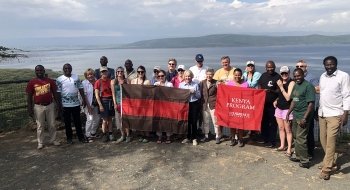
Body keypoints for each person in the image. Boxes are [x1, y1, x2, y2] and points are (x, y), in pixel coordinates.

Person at [318, 56, 350, 180]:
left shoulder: (343, 76)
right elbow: (322, 94)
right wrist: (317, 109)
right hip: (322, 113)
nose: (329, 67)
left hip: (336, 113)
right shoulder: (322, 76)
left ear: (336, 64)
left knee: (331, 141)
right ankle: (331, 162)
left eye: (331, 64)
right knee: (323, 140)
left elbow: (347, 95)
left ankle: (327, 169)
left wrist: (345, 113)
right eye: (327, 65)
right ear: (324, 65)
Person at [26, 65, 61, 149]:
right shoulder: (32, 82)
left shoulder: (50, 81)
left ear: (44, 71)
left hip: (50, 105)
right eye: (37, 70)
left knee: (52, 124)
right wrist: (29, 108)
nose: (39, 72)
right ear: (35, 71)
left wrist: (58, 105)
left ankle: (53, 140)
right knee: (40, 125)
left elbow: (55, 93)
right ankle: (40, 142)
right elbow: (29, 96)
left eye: (41, 70)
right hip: (38, 106)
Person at [286, 68, 315, 169]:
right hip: (296, 115)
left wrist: (304, 118)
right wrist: (289, 112)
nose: (297, 77)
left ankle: (305, 160)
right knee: (295, 136)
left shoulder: (308, 86)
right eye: (295, 76)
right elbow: (294, 100)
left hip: (303, 116)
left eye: (299, 75)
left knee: (301, 138)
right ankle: (298, 156)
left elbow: (311, 104)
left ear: (303, 75)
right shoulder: (296, 85)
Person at [56, 63, 87, 144]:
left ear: (71, 69)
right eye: (66, 68)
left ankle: (81, 137)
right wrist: (59, 106)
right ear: (63, 69)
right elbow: (58, 93)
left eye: (69, 68)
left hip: (76, 104)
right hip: (65, 105)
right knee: (67, 123)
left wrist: (83, 99)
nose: (67, 70)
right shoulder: (59, 79)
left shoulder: (76, 77)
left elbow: (80, 89)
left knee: (78, 122)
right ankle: (69, 139)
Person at [295, 60, 319, 158]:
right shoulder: (296, 77)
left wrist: (306, 90)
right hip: (298, 109)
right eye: (297, 66)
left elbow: (318, 89)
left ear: (306, 67)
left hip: (308, 109)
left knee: (309, 132)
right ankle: (301, 152)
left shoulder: (311, 77)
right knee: (300, 133)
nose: (299, 67)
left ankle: (310, 152)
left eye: (302, 66)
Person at [257, 60, 280, 148]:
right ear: (266, 68)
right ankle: (264, 138)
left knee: (273, 123)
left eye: (272, 67)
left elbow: (279, 90)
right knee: (263, 122)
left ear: (274, 67)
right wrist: (260, 91)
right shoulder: (263, 75)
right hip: (263, 104)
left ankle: (272, 141)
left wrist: (271, 91)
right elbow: (259, 84)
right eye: (268, 67)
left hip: (273, 105)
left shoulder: (277, 77)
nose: (270, 69)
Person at [273, 66, 295, 157]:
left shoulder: (291, 82)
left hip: (287, 109)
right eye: (282, 73)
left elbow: (288, 97)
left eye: (286, 73)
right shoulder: (279, 81)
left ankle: (289, 148)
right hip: (279, 108)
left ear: (289, 73)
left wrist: (281, 86)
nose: (284, 75)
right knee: (281, 128)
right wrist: (276, 100)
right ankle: (282, 145)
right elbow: (280, 95)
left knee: (288, 130)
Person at [225, 68, 249, 147]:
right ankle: (232, 139)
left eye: (239, 75)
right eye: (236, 75)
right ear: (233, 75)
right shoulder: (229, 83)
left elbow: (249, 95)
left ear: (241, 75)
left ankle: (240, 139)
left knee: (241, 124)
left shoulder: (245, 84)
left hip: (242, 107)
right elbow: (225, 94)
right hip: (232, 107)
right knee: (232, 124)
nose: (237, 76)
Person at [180, 70, 201, 146]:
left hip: (194, 104)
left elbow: (199, 96)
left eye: (189, 76)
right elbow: (179, 96)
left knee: (194, 121)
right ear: (184, 77)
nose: (187, 77)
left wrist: (194, 92)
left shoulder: (195, 85)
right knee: (187, 121)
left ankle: (194, 138)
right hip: (185, 104)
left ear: (191, 77)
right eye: (186, 76)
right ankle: (188, 137)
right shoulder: (181, 85)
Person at [200, 68, 221, 144]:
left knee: (215, 121)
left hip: (213, 104)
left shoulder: (216, 83)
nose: (209, 76)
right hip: (204, 105)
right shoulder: (202, 82)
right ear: (206, 74)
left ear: (213, 75)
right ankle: (206, 136)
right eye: (207, 74)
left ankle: (217, 136)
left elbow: (220, 93)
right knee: (205, 121)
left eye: (211, 74)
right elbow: (200, 93)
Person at [95, 66, 115, 142]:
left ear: (108, 72)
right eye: (103, 72)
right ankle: (104, 134)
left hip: (110, 101)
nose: (104, 73)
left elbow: (113, 93)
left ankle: (110, 133)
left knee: (110, 119)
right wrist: (100, 105)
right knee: (104, 120)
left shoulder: (110, 81)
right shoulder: (98, 82)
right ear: (100, 73)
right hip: (103, 101)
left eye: (105, 71)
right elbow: (97, 95)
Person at [131, 65, 151, 143]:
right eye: (139, 72)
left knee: (145, 119)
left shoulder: (147, 81)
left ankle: (146, 135)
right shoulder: (133, 81)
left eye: (142, 72)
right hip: (136, 103)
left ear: (144, 72)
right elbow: (131, 91)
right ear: (137, 72)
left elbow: (149, 93)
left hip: (144, 103)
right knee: (138, 119)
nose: (140, 73)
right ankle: (141, 134)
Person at [154, 70, 174, 144]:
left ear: (165, 76)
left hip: (167, 105)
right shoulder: (155, 84)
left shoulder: (169, 84)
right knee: (159, 121)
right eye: (159, 76)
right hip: (158, 105)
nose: (160, 77)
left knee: (167, 120)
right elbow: (154, 95)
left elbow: (172, 95)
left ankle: (168, 136)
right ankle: (159, 136)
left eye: (162, 76)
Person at [111, 67, 130, 143]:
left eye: (121, 71)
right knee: (119, 120)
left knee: (126, 120)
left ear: (123, 72)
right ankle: (123, 135)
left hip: (125, 103)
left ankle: (128, 135)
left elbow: (130, 92)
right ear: (116, 72)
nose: (120, 72)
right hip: (118, 103)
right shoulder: (113, 81)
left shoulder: (127, 81)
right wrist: (115, 103)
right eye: (118, 71)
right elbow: (113, 94)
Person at [82, 68, 100, 143]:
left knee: (97, 119)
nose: (90, 76)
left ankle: (93, 133)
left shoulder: (97, 81)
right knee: (90, 119)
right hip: (88, 104)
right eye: (88, 74)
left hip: (96, 104)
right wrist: (88, 107)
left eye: (91, 74)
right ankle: (87, 135)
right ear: (86, 76)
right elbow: (85, 95)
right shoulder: (84, 83)